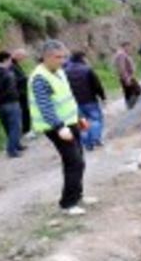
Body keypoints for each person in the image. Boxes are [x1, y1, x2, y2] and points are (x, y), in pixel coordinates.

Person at [29, 40, 94, 216]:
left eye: (64, 56)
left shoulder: (59, 71)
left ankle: (77, 195)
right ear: (45, 57)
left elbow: (69, 98)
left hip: (70, 122)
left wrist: (80, 116)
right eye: (58, 57)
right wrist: (59, 127)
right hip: (56, 126)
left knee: (78, 159)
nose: (62, 60)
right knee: (74, 162)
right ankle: (68, 203)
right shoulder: (39, 78)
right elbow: (45, 106)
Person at [64, 51, 106, 151]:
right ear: (82, 58)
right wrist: (103, 97)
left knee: (82, 122)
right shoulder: (87, 69)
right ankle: (96, 139)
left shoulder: (65, 72)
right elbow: (97, 85)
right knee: (95, 119)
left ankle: (87, 143)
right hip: (90, 100)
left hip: (74, 102)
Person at [114, 41, 141, 109]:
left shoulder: (123, 54)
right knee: (137, 91)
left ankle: (130, 106)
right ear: (124, 46)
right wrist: (127, 78)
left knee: (129, 93)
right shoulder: (121, 55)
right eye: (128, 47)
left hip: (127, 77)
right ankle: (131, 107)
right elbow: (122, 67)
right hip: (127, 77)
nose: (129, 48)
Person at [9, 49, 31, 136]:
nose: (23, 59)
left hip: (22, 92)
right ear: (18, 55)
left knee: (25, 111)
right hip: (19, 93)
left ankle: (26, 130)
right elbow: (14, 79)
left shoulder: (15, 64)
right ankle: (26, 131)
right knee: (24, 111)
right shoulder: (11, 65)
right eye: (23, 57)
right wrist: (26, 77)